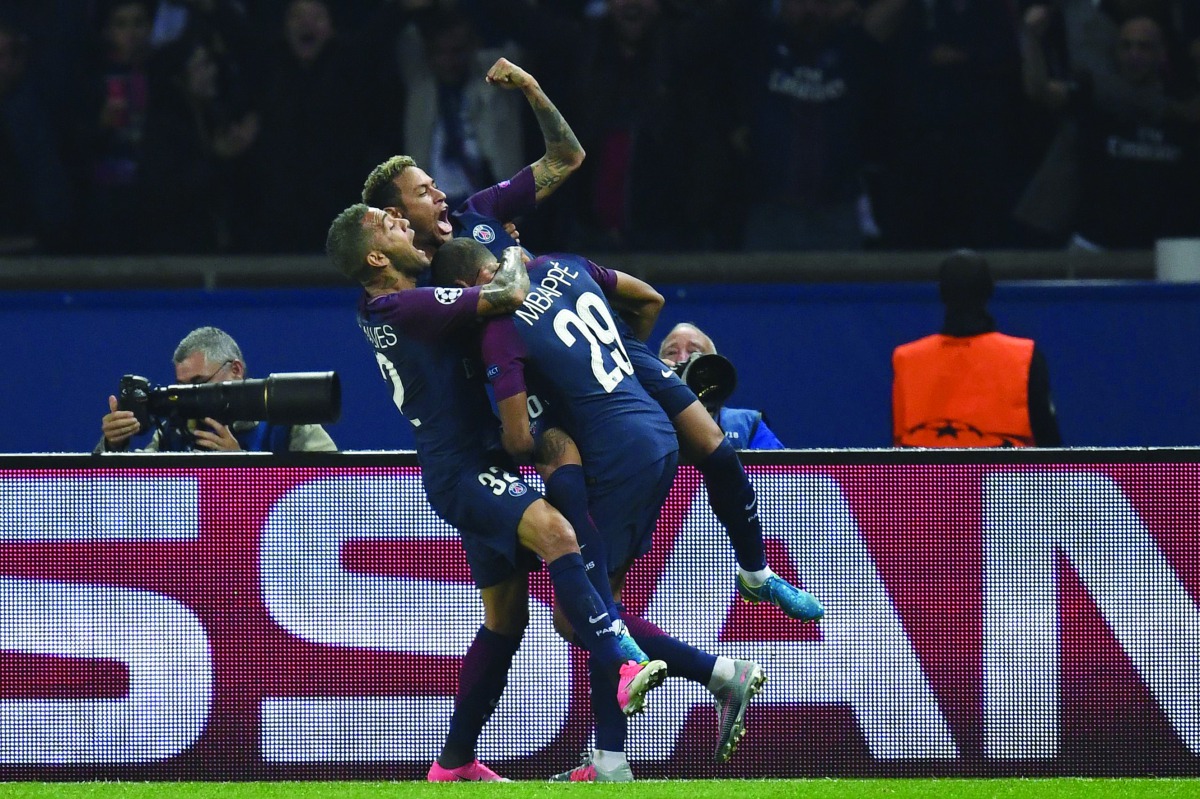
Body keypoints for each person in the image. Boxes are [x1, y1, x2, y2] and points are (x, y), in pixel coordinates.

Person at [362, 60, 824, 629]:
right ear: (393, 214)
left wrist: (532, 88)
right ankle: (641, 680)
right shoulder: (420, 291)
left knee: (714, 445)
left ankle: (755, 573)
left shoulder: (478, 212)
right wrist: (518, 265)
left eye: (435, 185)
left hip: (601, 361)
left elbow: (567, 158)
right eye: (423, 192)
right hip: (537, 401)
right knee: (588, 584)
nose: (440, 195)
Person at [324, 204, 668, 783]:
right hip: (464, 472)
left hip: (470, 465)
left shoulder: (397, 304)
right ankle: (621, 662)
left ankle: (454, 762)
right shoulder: (400, 303)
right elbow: (506, 291)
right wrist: (509, 249)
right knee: (559, 535)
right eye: (391, 226)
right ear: (376, 258)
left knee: (506, 620)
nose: (406, 225)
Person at [433, 238, 767, 781]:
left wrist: (498, 441)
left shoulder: (496, 325)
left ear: (469, 284)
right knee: (600, 600)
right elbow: (649, 299)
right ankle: (610, 761)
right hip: (653, 435)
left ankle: (720, 672)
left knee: (579, 612)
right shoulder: (561, 267)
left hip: (616, 451)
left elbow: (520, 441)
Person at [892, 250, 1063, 448]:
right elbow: (1051, 449)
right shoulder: (1024, 357)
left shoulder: (907, 359)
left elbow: (898, 451)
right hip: (1006, 477)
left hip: (928, 479)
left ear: (941, 293)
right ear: (989, 290)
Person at [95, 326, 337, 453]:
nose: (188, 396)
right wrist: (114, 444)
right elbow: (131, 496)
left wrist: (240, 468)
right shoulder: (176, 429)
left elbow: (330, 491)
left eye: (199, 383)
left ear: (236, 370)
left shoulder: (288, 423)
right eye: (182, 387)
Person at [658, 322, 786, 451]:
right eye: (671, 352)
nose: (682, 359)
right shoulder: (642, 422)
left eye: (694, 352)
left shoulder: (747, 425)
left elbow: (779, 470)